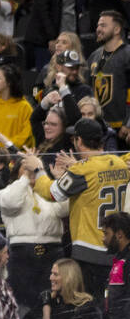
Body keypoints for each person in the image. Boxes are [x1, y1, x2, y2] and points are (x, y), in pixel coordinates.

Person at [33, 117, 130, 295]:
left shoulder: (82, 170)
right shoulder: (119, 163)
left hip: (89, 251)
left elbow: (52, 193)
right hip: (116, 247)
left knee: (89, 305)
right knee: (112, 303)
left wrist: (38, 170)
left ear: (79, 141)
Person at [0, 152, 69, 310]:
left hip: (52, 252)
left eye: (34, 167)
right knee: (21, 300)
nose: (31, 171)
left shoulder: (47, 190)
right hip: (22, 254)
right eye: (26, 168)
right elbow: (10, 203)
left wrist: (58, 181)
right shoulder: (7, 192)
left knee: (52, 299)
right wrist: (25, 178)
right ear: (17, 172)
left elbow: (64, 209)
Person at [85, 11, 130, 140]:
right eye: (98, 25)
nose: (98, 29)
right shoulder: (94, 56)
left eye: (104, 25)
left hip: (121, 129)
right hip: (97, 127)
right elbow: (87, 90)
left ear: (117, 29)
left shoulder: (127, 54)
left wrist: (128, 123)